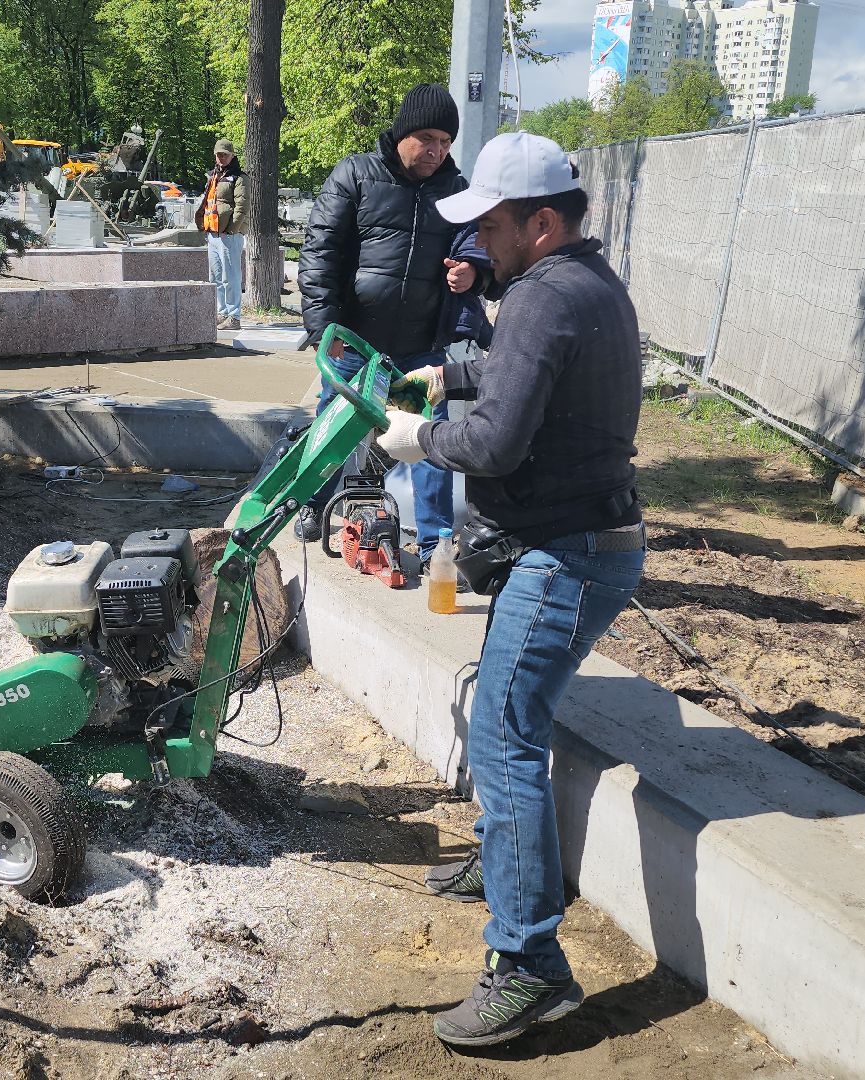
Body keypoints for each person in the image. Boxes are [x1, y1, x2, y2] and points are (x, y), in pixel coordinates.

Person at [374, 131, 645, 1047]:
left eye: (486, 226)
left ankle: (529, 965)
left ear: (538, 223)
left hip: (566, 553)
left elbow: (492, 444)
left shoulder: (537, 298)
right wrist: (450, 372)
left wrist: (420, 440)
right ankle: (510, 871)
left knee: (503, 737)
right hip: (577, 541)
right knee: (505, 714)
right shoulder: (585, 286)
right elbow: (525, 379)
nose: (472, 245)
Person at [294, 83, 494, 565]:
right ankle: (313, 506)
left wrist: (474, 272)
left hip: (421, 344)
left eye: (445, 141)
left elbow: (480, 245)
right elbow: (320, 253)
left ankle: (434, 544)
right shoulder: (356, 175)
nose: (436, 150)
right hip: (354, 343)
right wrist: (324, 330)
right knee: (332, 429)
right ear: (403, 132)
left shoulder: (456, 191)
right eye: (426, 137)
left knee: (430, 443)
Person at [196, 138, 249, 330]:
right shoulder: (213, 176)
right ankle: (222, 312)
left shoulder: (240, 177)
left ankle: (234, 316)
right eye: (218, 154)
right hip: (213, 232)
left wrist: (231, 230)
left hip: (229, 234)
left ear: (232, 155)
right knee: (216, 276)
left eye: (225, 154)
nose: (221, 157)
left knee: (231, 276)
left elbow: (242, 207)